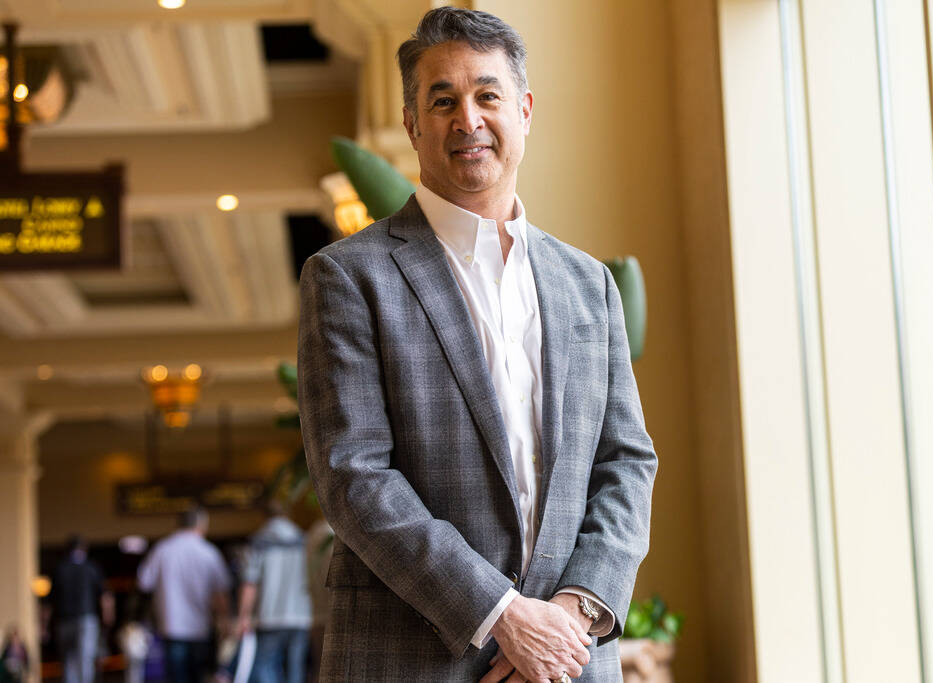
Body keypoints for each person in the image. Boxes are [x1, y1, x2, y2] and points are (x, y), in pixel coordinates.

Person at [297, 7, 657, 682]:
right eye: (443, 100)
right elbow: (354, 477)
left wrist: (566, 621)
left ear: (522, 110)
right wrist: (504, 616)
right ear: (412, 124)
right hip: (412, 660)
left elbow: (627, 462)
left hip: (568, 660)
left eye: (487, 95)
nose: (468, 119)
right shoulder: (347, 277)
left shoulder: (589, 285)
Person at [137, 506, 231, 683]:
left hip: (171, 625)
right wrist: (224, 620)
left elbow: (144, 583)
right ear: (202, 525)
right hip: (201, 628)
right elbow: (220, 593)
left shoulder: (162, 550)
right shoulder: (209, 552)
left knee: (176, 677)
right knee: (200, 676)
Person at [236, 500, 312, 683]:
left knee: (264, 665)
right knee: (295, 670)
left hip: (270, 616)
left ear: (263, 516)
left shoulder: (259, 541)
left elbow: (250, 582)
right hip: (301, 616)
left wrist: (243, 616)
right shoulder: (302, 539)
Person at [49, 535, 113, 683]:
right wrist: (107, 616)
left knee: (68, 661)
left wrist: (44, 626)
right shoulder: (91, 567)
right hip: (86, 619)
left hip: (64, 620)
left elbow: (48, 602)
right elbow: (105, 596)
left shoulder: (60, 568)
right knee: (85, 659)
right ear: (83, 549)